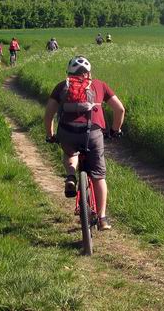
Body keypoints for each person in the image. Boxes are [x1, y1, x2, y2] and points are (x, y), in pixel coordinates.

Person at [44, 56, 125, 231]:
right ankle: (102, 218)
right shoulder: (100, 85)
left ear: (69, 72)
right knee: (98, 176)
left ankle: (71, 176)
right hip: (93, 134)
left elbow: (49, 113)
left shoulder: (61, 86)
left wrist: (50, 135)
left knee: (70, 153)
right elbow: (120, 109)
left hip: (68, 132)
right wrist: (114, 130)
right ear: (89, 73)